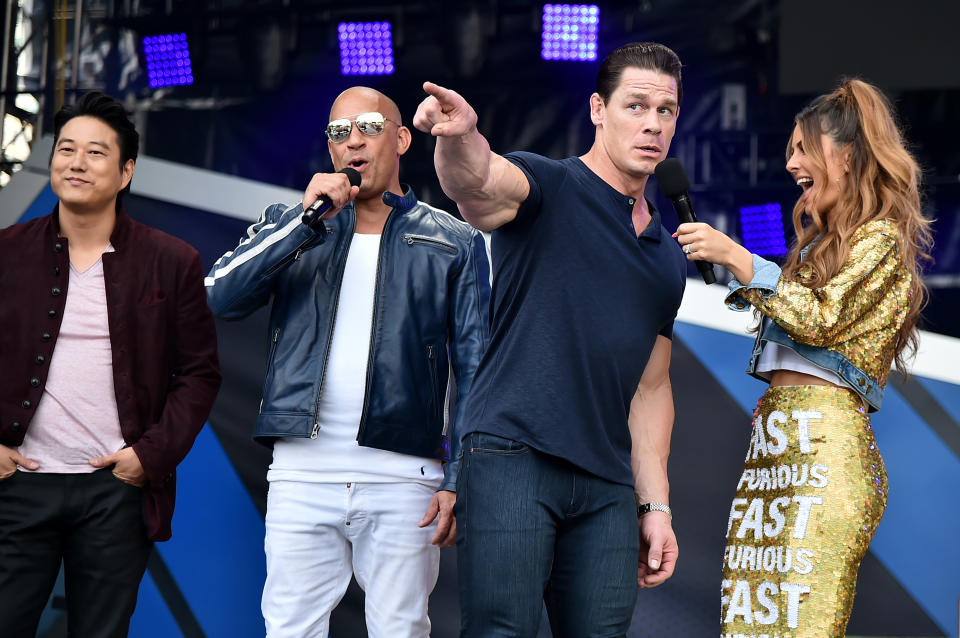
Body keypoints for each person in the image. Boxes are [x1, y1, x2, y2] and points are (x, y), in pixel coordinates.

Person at [414, 42, 686, 636]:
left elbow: (651, 388)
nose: (651, 124)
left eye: (665, 111)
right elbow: (480, 185)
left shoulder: (668, 256)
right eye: (635, 106)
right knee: (500, 631)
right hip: (515, 454)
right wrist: (458, 139)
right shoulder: (553, 184)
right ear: (597, 109)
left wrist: (655, 506)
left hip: (607, 483)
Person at [205, 86, 490, 638]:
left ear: (402, 139)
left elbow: (476, 368)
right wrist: (305, 223)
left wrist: (460, 475)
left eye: (367, 127)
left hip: (405, 476)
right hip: (302, 471)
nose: (352, 141)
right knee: (290, 628)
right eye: (338, 132)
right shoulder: (293, 225)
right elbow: (220, 296)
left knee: (401, 628)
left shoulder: (453, 241)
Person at [674, 78, 931, 637]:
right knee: (748, 624)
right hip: (773, 454)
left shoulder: (881, 239)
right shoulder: (817, 247)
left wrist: (739, 260)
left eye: (801, 149)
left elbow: (818, 317)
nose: (790, 164)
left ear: (845, 155)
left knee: (800, 625)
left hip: (824, 458)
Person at [0, 91, 222, 638]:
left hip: (114, 490)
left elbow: (199, 373)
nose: (76, 163)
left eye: (95, 153)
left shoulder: (171, 260)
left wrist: (148, 457)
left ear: (125, 172)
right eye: (66, 149)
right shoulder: (6, 251)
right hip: (17, 483)